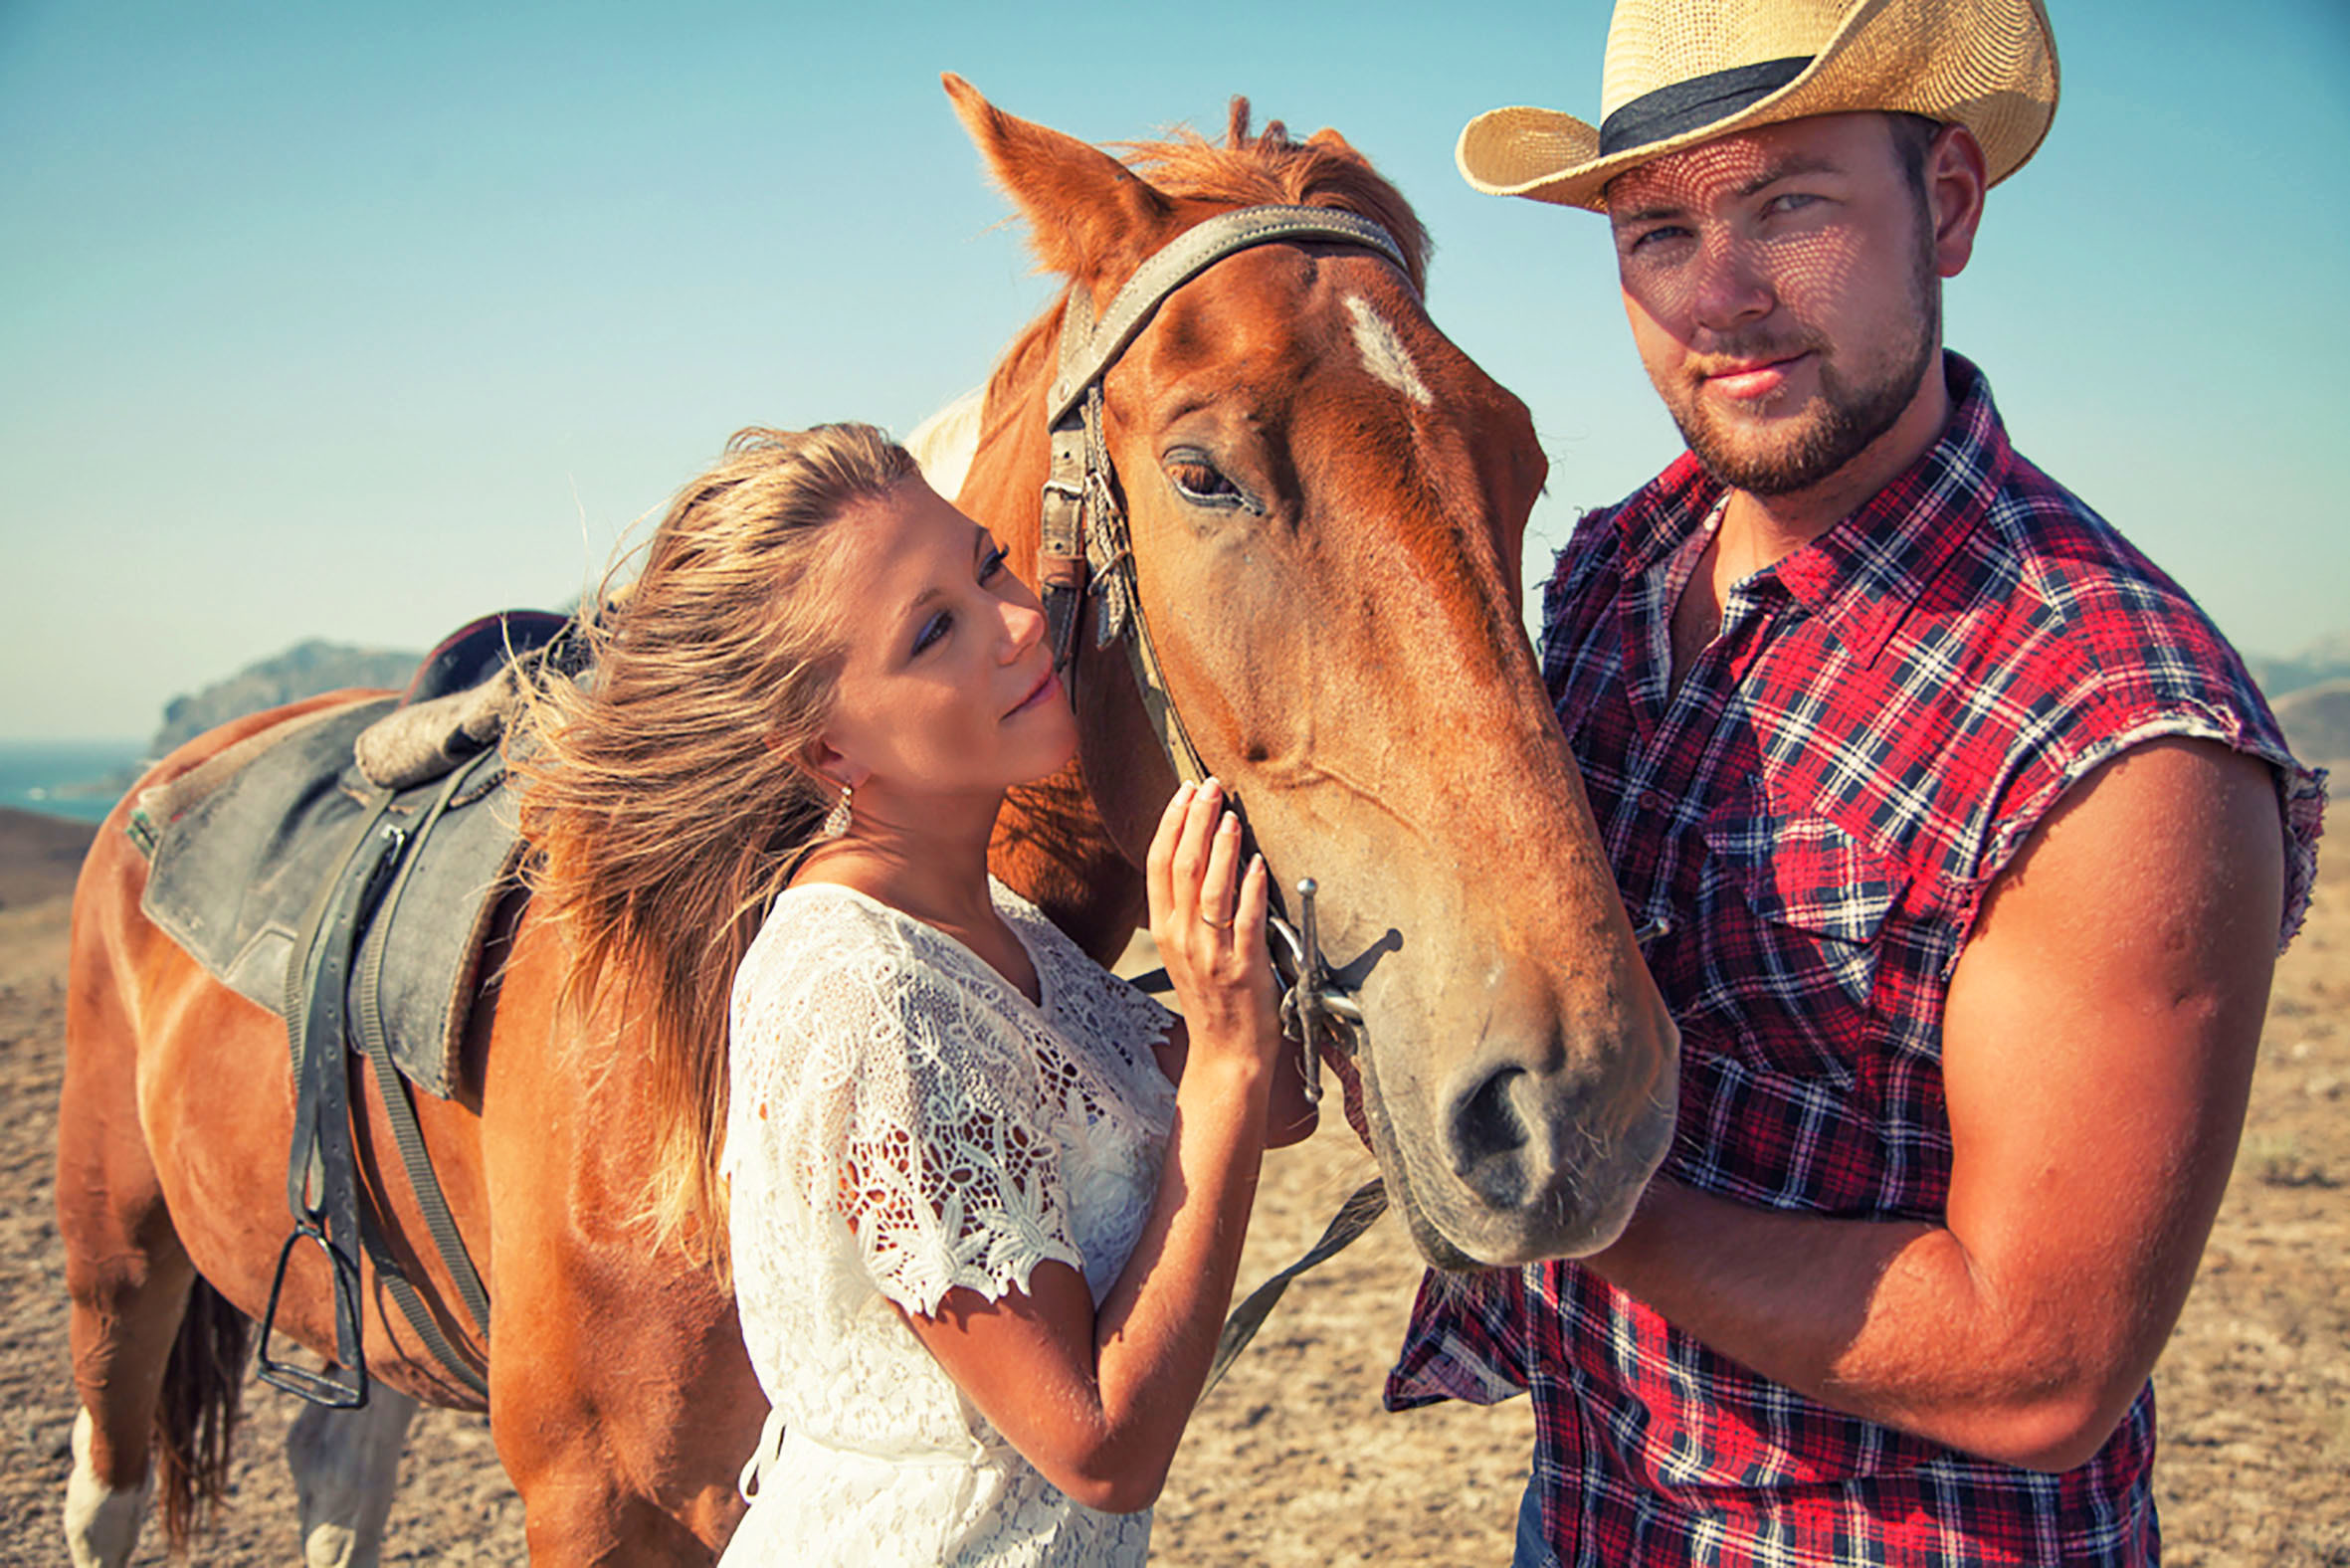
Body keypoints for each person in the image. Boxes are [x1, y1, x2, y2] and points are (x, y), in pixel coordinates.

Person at [1391, 1, 2329, 1563]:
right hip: (1594, 1509)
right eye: (1657, 230)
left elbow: (2042, 1365)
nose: (1720, 295)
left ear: (1946, 205)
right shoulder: (1621, 567)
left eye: (1790, 205)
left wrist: (1549, 1194)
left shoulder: (2115, 732)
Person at [514, 423, 1315, 1566]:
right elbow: (1100, 1449)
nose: (1024, 622)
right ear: (827, 750)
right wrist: (1230, 1052)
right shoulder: (867, 997)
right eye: (935, 628)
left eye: (988, 564)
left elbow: (1258, 1112)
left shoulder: (997, 924)